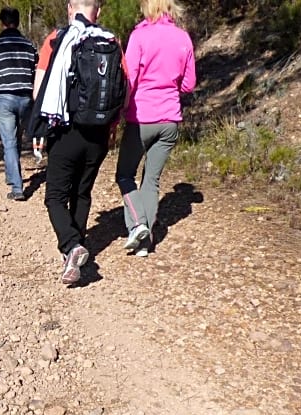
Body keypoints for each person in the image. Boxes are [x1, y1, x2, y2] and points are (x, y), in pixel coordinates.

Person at [32, 0, 125, 286]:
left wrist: (41, 130)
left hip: (66, 130)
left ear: (71, 8)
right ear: (99, 11)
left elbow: (39, 90)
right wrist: (112, 127)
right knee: (82, 194)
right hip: (98, 133)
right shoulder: (112, 41)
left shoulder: (57, 39)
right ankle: (73, 253)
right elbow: (124, 89)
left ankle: (72, 247)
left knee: (55, 197)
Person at [115, 0, 196, 257]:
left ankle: (138, 224)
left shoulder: (139, 37)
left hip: (142, 118)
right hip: (169, 119)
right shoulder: (183, 38)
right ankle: (145, 242)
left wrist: (119, 112)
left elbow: (130, 79)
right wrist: (169, 88)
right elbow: (189, 84)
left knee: (125, 175)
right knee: (151, 179)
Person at [0, 7, 38, 201]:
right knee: (17, 138)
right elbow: (38, 72)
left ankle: (17, 188)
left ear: (2, 22)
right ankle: (12, 175)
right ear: (18, 22)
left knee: (9, 141)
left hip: (5, 98)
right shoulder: (29, 45)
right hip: (26, 98)